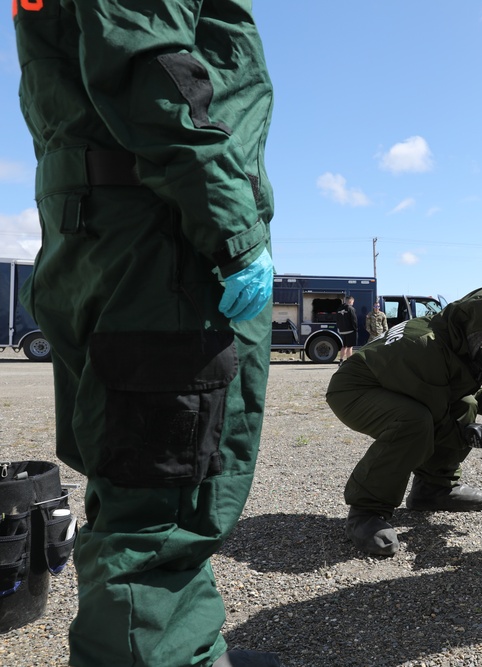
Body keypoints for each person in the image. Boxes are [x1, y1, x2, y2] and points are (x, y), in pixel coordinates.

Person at [12, 2, 280, 666]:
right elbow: (151, 66)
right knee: (162, 504)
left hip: (113, 231)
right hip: (163, 245)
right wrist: (236, 231)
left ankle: (180, 644)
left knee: (137, 476)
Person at [326, 287, 482, 557]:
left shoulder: (456, 339)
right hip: (354, 389)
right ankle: (366, 512)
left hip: (400, 383)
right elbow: (440, 422)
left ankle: (434, 488)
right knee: (413, 422)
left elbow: (460, 393)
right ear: (475, 334)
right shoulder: (427, 346)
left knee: (466, 405)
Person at [337, 295, 358, 362]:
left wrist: (339, 328)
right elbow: (354, 320)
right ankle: (349, 361)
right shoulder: (351, 309)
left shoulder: (339, 309)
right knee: (349, 347)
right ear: (350, 301)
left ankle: (341, 361)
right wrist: (356, 329)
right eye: (353, 302)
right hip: (350, 331)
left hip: (342, 331)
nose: (353, 303)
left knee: (343, 346)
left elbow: (337, 320)